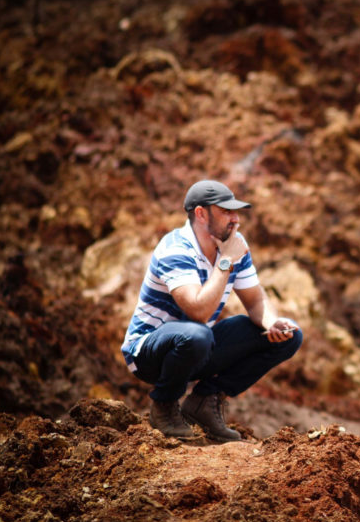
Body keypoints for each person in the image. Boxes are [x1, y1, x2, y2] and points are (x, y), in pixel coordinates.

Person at [121, 180, 303, 441]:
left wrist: (272, 323)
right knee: (197, 335)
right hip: (149, 354)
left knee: (289, 335)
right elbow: (198, 311)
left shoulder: (233, 244)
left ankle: (205, 401)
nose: (235, 219)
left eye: (236, 212)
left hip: (195, 348)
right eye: (226, 212)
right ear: (200, 213)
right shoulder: (176, 248)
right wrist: (226, 262)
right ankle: (163, 406)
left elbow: (254, 301)